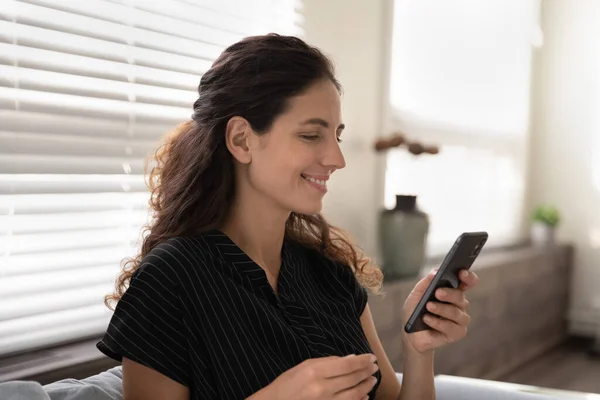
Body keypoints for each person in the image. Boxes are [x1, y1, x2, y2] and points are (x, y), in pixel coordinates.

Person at [98, 33, 478, 400]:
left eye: (337, 136)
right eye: (312, 136)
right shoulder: (171, 280)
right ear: (241, 140)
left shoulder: (330, 274)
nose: (337, 159)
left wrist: (418, 349)